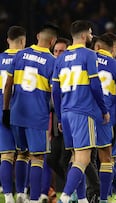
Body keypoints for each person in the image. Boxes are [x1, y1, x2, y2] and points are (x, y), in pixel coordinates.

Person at [52, 20, 110, 203]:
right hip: (83, 111)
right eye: (91, 33)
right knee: (84, 159)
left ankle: (83, 199)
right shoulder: (89, 55)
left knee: (75, 158)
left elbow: (55, 91)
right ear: (84, 36)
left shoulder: (60, 58)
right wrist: (103, 109)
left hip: (66, 112)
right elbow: (95, 84)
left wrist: (60, 117)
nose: (92, 36)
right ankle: (65, 197)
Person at [3, 23, 58, 203]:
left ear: (37, 37)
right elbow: (55, 93)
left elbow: (8, 84)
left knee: (21, 153)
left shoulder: (19, 55)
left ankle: (19, 194)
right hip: (37, 115)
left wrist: (5, 109)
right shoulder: (52, 61)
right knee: (37, 158)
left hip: (16, 113)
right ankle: (33, 199)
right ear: (52, 41)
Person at [93, 32, 116, 203]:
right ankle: (106, 198)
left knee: (79, 157)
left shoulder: (87, 60)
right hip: (109, 117)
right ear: (113, 47)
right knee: (108, 159)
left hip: (84, 114)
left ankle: (76, 195)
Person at [40, 37, 72, 203]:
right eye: (56, 51)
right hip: (56, 125)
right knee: (52, 159)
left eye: (62, 51)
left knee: (68, 159)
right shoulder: (50, 71)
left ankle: (73, 190)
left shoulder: (71, 70)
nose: (58, 54)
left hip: (70, 121)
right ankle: (72, 187)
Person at [0, 25, 26, 203]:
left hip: (1, 110)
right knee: (24, 154)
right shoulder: (26, 59)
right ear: (23, 41)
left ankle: (8, 196)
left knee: (6, 156)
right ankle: (22, 194)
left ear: (7, 39)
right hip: (20, 110)